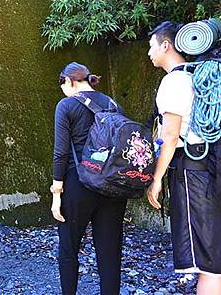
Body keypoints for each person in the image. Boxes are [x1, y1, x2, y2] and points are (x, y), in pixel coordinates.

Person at [146, 21, 221, 295]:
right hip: (212, 168)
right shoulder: (198, 75)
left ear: (166, 45)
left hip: (190, 172)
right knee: (220, 255)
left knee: (204, 263)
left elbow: (171, 136)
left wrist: (157, 179)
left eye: (151, 46)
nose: (149, 52)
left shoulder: (173, 81)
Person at [51, 62, 127, 295]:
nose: (62, 89)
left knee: (69, 249)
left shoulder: (66, 105)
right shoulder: (114, 104)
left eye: (62, 83)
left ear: (71, 81)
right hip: (112, 183)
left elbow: (61, 152)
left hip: (78, 183)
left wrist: (56, 191)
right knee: (109, 251)